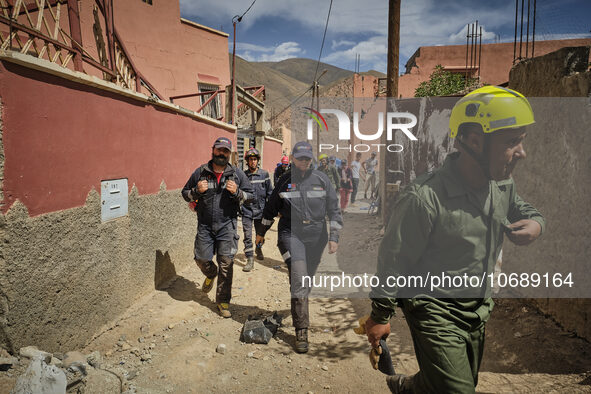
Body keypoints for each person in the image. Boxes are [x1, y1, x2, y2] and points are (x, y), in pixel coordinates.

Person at [365, 86, 545, 393]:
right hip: (433, 308)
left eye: (521, 142)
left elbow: (523, 208)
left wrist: (536, 224)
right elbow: (394, 260)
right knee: (460, 390)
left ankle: (410, 387)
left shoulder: (502, 185)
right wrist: (380, 315)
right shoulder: (424, 198)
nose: (521, 153)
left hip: (478, 307)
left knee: (460, 381)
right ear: (475, 141)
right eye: (512, 142)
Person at [255, 141, 342, 353]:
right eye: (300, 157)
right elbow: (270, 210)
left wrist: (334, 237)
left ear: (311, 159)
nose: (303, 161)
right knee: (300, 278)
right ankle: (301, 329)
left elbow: (334, 209)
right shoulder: (284, 182)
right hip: (290, 234)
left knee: (305, 280)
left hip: (316, 238)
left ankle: (299, 301)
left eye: (307, 158)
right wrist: (260, 234)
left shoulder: (322, 180)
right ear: (293, 158)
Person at [182, 137, 254, 318]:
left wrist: (237, 192)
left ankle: (223, 301)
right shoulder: (201, 172)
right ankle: (210, 273)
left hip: (227, 226)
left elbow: (251, 196)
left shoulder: (237, 174)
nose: (222, 153)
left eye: (225, 151)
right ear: (213, 150)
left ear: (230, 154)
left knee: (226, 264)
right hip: (205, 226)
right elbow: (185, 194)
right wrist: (196, 191)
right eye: (219, 150)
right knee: (201, 259)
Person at [241, 147, 273, 272]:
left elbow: (270, 193)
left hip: (261, 211)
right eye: (250, 159)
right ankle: (250, 259)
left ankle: (258, 248)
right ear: (247, 161)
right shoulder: (243, 175)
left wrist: (270, 210)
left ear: (257, 161)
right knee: (247, 235)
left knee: (261, 235)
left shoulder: (264, 174)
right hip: (247, 210)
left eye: (255, 159)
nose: (253, 161)